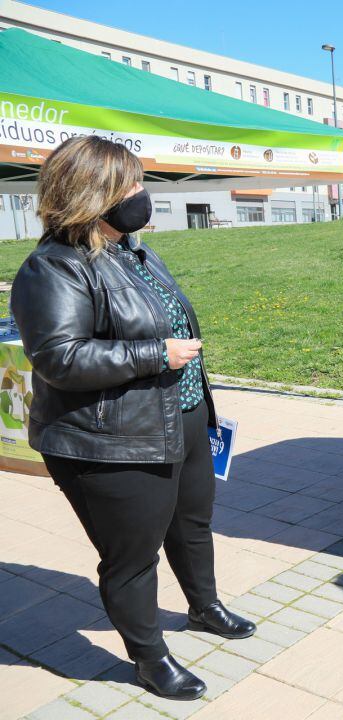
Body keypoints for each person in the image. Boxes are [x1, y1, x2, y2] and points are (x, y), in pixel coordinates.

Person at [10, 136, 255, 701]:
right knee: (131, 557)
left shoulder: (133, 250)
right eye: (133, 185)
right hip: (112, 438)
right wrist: (155, 355)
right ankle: (150, 659)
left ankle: (204, 606)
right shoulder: (52, 268)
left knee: (192, 524)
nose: (142, 195)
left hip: (181, 414)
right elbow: (59, 358)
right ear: (92, 194)